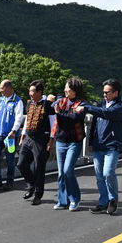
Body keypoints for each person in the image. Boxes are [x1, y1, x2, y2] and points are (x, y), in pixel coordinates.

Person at [76, 79, 122, 215]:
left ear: (116, 93)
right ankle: (103, 202)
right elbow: (94, 125)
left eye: (107, 92)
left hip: (112, 146)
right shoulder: (100, 106)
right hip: (98, 146)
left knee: (108, 173)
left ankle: (112, 200)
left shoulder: (121, 107)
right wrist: (91, 143)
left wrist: (87, 108)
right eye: (103, 92)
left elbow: (106, 113)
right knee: (99, 176)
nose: (104, 94)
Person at [50, 78, 87, 211]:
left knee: (67, 170)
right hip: (61, 140)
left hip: (74, 142)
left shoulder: (82, 103)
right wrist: (53, 101)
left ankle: (74, 199)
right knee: (61, 173)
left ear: (75, 91)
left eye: (69, 89)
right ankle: (62, 200)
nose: (66, 90)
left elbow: (75, 118)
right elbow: (50, 107)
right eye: (65, 88)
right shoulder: (62, 100)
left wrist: (60, 112)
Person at [17, 80, 55, 205]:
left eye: (33, 91)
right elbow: (27, 119)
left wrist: (51, 141)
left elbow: (53, 123)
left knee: (39, 167)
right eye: (30, 91)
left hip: (41, 139)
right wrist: (23, 136)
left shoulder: (48, 105)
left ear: (39, 92)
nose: (30, 93)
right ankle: (31, 185)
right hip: (28, 137)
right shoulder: (29, 104)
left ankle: (38, 194)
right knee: (21, 164)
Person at [0, 79, 24, 191]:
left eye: (2, 88)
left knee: (10, 159)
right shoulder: (0, 100)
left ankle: (9, 182)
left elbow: (19, 118)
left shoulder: (18, 101)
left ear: (8, 88)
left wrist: (13, 131)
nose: (0, 91)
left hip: (11, 137)